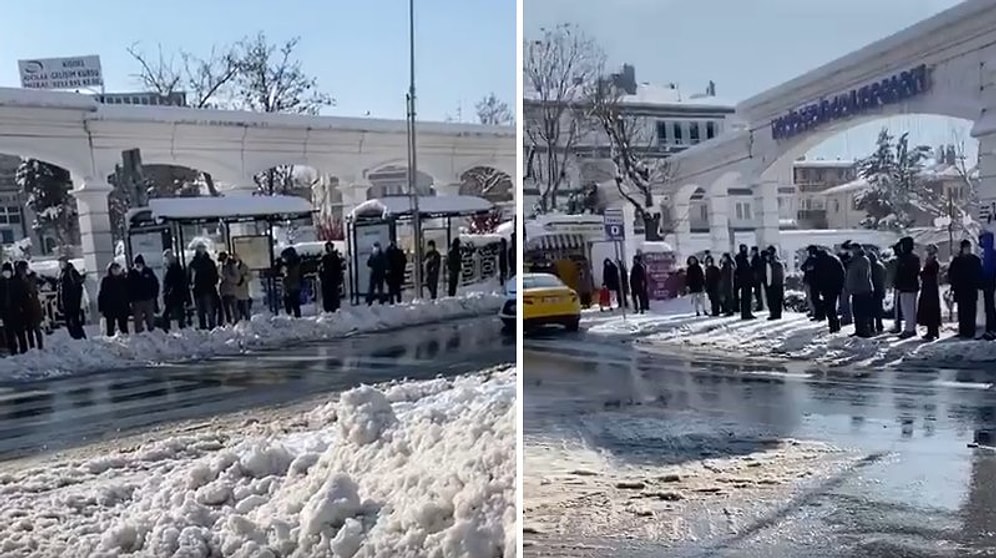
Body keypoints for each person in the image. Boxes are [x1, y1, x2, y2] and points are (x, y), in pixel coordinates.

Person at [948, 238, 983, 339]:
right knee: (962, 310)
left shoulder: (975, 260)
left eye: (969, 247)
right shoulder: (957, 261)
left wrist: (978, 284)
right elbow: (952, 274)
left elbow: (979, 274)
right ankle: (963, 330)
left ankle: (970, 331)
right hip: (961, 289)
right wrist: (953, 286)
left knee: (971, 310)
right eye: (966, 247)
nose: (968, 249)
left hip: (971, 289)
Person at [893, 236, 921, 339]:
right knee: (905, 309)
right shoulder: (904, 257)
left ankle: (910, 329)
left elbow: (913, 273)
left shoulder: (913, 258)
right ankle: (908, 328)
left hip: (910, 286)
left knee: (910, 310)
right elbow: (896, 250)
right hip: (904, 287)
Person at [844, 244, 874, 337]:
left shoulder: (862, 260)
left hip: (862, 290)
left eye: (854, 249)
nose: (852, 251)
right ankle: (858, 330)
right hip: (856, 290)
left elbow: (863, 275)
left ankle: (865, 330)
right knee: (857, 312)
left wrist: (856, 285)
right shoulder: (854, 260)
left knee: (863, 312)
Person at [813, 247, 846, 333]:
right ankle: (835, 324)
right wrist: (840, 286)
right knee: (832, 306)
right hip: (835, 287)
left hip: (826, 288)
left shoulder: (820, 262)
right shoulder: (835, 259)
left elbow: (817, 276)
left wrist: (818, 289)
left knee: (829, 307)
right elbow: (842, 273)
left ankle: (833, 324)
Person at [15, 261, 44, 351]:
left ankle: (38, 346)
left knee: (35, 327)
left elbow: (41, 282)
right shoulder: (19, 279)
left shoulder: (31, 277)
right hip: (26, 305)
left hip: (32, 304)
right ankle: (33, 346)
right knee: (30, 328)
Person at [189, 243, 219, 330]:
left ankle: (211, 327)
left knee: (209, 310)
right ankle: (204, 327)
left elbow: (215, 276)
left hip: (207, 290)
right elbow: (189, 277)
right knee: (201, 311)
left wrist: (211, 283)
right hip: (199, 291)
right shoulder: (194, 263)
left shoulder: (208, 263)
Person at [0, 262, 28, 354]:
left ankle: (23, 349)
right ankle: (13, 349)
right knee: (9, 332)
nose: (6, 274)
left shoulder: (16, 282)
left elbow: (23, 297)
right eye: (5, 272)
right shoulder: (1, 283)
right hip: (5, 311)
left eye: (8, 272)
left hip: (16, 310)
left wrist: (23, 308)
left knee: (20, 331)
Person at [127, 254, 160, 333]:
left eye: (140, 264)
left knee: (150, 319)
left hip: (148, 299)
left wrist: (154, 295)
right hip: (137, 301)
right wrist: (130, 299)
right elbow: (127, 287)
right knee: (138, 320)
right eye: (136, 264)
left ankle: (152, 333)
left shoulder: (148, 272)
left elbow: (155, 284)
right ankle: (139, 334)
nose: (138, 266)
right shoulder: (131, 273)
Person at [917, 244, 942, 341]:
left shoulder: (933, 263)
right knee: (929, 310)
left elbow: (928, 274)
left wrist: (922, 273)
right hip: (928, 288)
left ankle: (932, 331)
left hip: (930, 289)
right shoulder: (930, 262)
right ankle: (931, 331)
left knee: (931, 310)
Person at [57, 257, 86, 340]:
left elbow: (78, 282)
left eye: (62, 262)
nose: (61, 265)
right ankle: (75, 336)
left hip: (72, 300)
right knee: (69, 319)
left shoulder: (71, 271)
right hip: (65, 300)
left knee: (74, 319)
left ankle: (78, 336)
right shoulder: (62, 273)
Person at [98, 262, 130, 337]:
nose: (116, 271)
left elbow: (128, 292)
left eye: (117, 269)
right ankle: (110, 338)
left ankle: (125, 337)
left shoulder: (123, 280)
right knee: (110, 325)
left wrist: (128, 304)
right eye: (114, 269)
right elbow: (102, 294)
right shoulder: (106, 280)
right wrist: (101, 307)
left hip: (122, 306)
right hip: (110, 307)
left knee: (123, 325)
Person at [161, 250, 189, 331]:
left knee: (171, 313)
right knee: (178, 312)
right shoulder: (175, 268)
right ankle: (181, 327)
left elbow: (174, 281)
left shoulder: (174, 269)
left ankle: (170, 329)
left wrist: (169, 290)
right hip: (175, 293)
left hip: (175, 293)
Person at [981, 231, 996, 340]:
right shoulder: (988, 253)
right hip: (989, 282)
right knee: (989, 307)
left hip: (989, 282)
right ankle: (990, 328)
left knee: (990, 306)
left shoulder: (989, 254)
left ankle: (991, 328)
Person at [763, 247, 786, 321]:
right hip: (779, 284)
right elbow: (783, 274)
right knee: (778, 300)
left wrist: (768, 284)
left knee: (772, 300)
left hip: (773, 284)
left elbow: (769, 275)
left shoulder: (770, 263)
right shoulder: (779, 262)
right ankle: (777, 314)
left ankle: (773, 314)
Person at [319, 242, 344, 311]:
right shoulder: (325, 258)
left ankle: (333, 308)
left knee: (333, 295)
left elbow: (338, 269)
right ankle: (329, 309)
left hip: (332, 281)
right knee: (329, 296)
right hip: (328, 282)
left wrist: (338, 279)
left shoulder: (335, 258)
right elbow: (321, 269)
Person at [280, 247, 303, 318]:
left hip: (292, 286)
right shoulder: (295, 263)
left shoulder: (293, 265)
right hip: (294, 286)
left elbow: (291, 276)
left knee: (292, 302)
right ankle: (295, 316)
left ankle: (294, 317)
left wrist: (285, 278)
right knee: (294, 303)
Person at [228, 253, 252, 322]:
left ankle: (248, 323)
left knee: (246, 310)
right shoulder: (229, 267)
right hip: (234, 292)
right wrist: (234, 280)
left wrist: (243, 279)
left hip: (243, 291)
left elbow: (250, 276)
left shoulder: (244, 266)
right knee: (236, 311)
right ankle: (238, 323)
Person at [868, 251, 887, 334]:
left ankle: (871, 327)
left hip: (872, 290)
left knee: (870, 310)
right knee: (878, 309)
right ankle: (879, 325)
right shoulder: (881, 266)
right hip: (880, 289)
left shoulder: (870, 267)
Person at [734, 245, 755, 320]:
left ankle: (747, 312)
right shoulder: (740, 258)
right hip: (744, 281)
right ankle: (746, 313)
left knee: (747, 298)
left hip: (746, 281)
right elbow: (742, 270)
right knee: (745, 298)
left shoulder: (745, 258)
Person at [217, 252, 237, 325]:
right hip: (224, 291)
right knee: (226, 310)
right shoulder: (220, 266)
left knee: (234, 309)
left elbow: (236, 278)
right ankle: (229, 323)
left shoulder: (231, 265)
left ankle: (236, 323)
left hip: (231, 290)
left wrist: (227, 277)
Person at [802, 247, 820, 319]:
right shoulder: (809, 259)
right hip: (808, 280)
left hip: (812, 281)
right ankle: (812, 311)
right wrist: (807, 268)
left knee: (813, 297)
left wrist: (809, 268)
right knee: (810, 297)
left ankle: (815, 312)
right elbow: (802, 267)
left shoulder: (814, 259)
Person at [750, 246, 765, 312]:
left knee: (758, 292)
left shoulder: (756, 259)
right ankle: (759, 305)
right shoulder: (755, 259)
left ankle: (760, 305)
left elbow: (756, 269)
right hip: (756, 278)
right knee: (757, 292)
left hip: (757, 278)